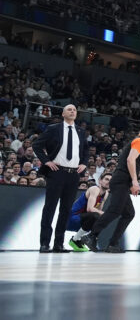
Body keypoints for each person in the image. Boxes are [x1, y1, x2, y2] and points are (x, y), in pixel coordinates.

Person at [80, 122, 140, 253]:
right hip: (121, 180)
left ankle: (113, 244)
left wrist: (131, 182)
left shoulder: (139, 141)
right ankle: (91, 236)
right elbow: (130, 160)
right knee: (114, 211)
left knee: (128, 213)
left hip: (122, 181)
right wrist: (134, 181)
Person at [37, 104, 88, 253]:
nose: (73, 111)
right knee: (50, 208)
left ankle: (58, 244)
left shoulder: (80, 131)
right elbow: (37, 145)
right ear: (63, 114)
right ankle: (44, 243)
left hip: (73, 174)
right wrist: (46, 161)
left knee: (66, 210)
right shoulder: (54, 128)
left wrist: (84, 163)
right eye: (69, 109)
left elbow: (85, 151)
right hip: (56, 171)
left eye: (75, 110)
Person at [67, 172, 111, 251]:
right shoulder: (95, 189)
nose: (108, 182)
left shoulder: (106, 194)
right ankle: (81, 238)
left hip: (82, 220)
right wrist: (107, 214)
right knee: (96, 215)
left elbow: (99, 211)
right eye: (106, 179)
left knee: (101, 218)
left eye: (111, 180)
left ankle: (80, 239)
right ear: (100, 181)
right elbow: (90, 209)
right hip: (72, 218)